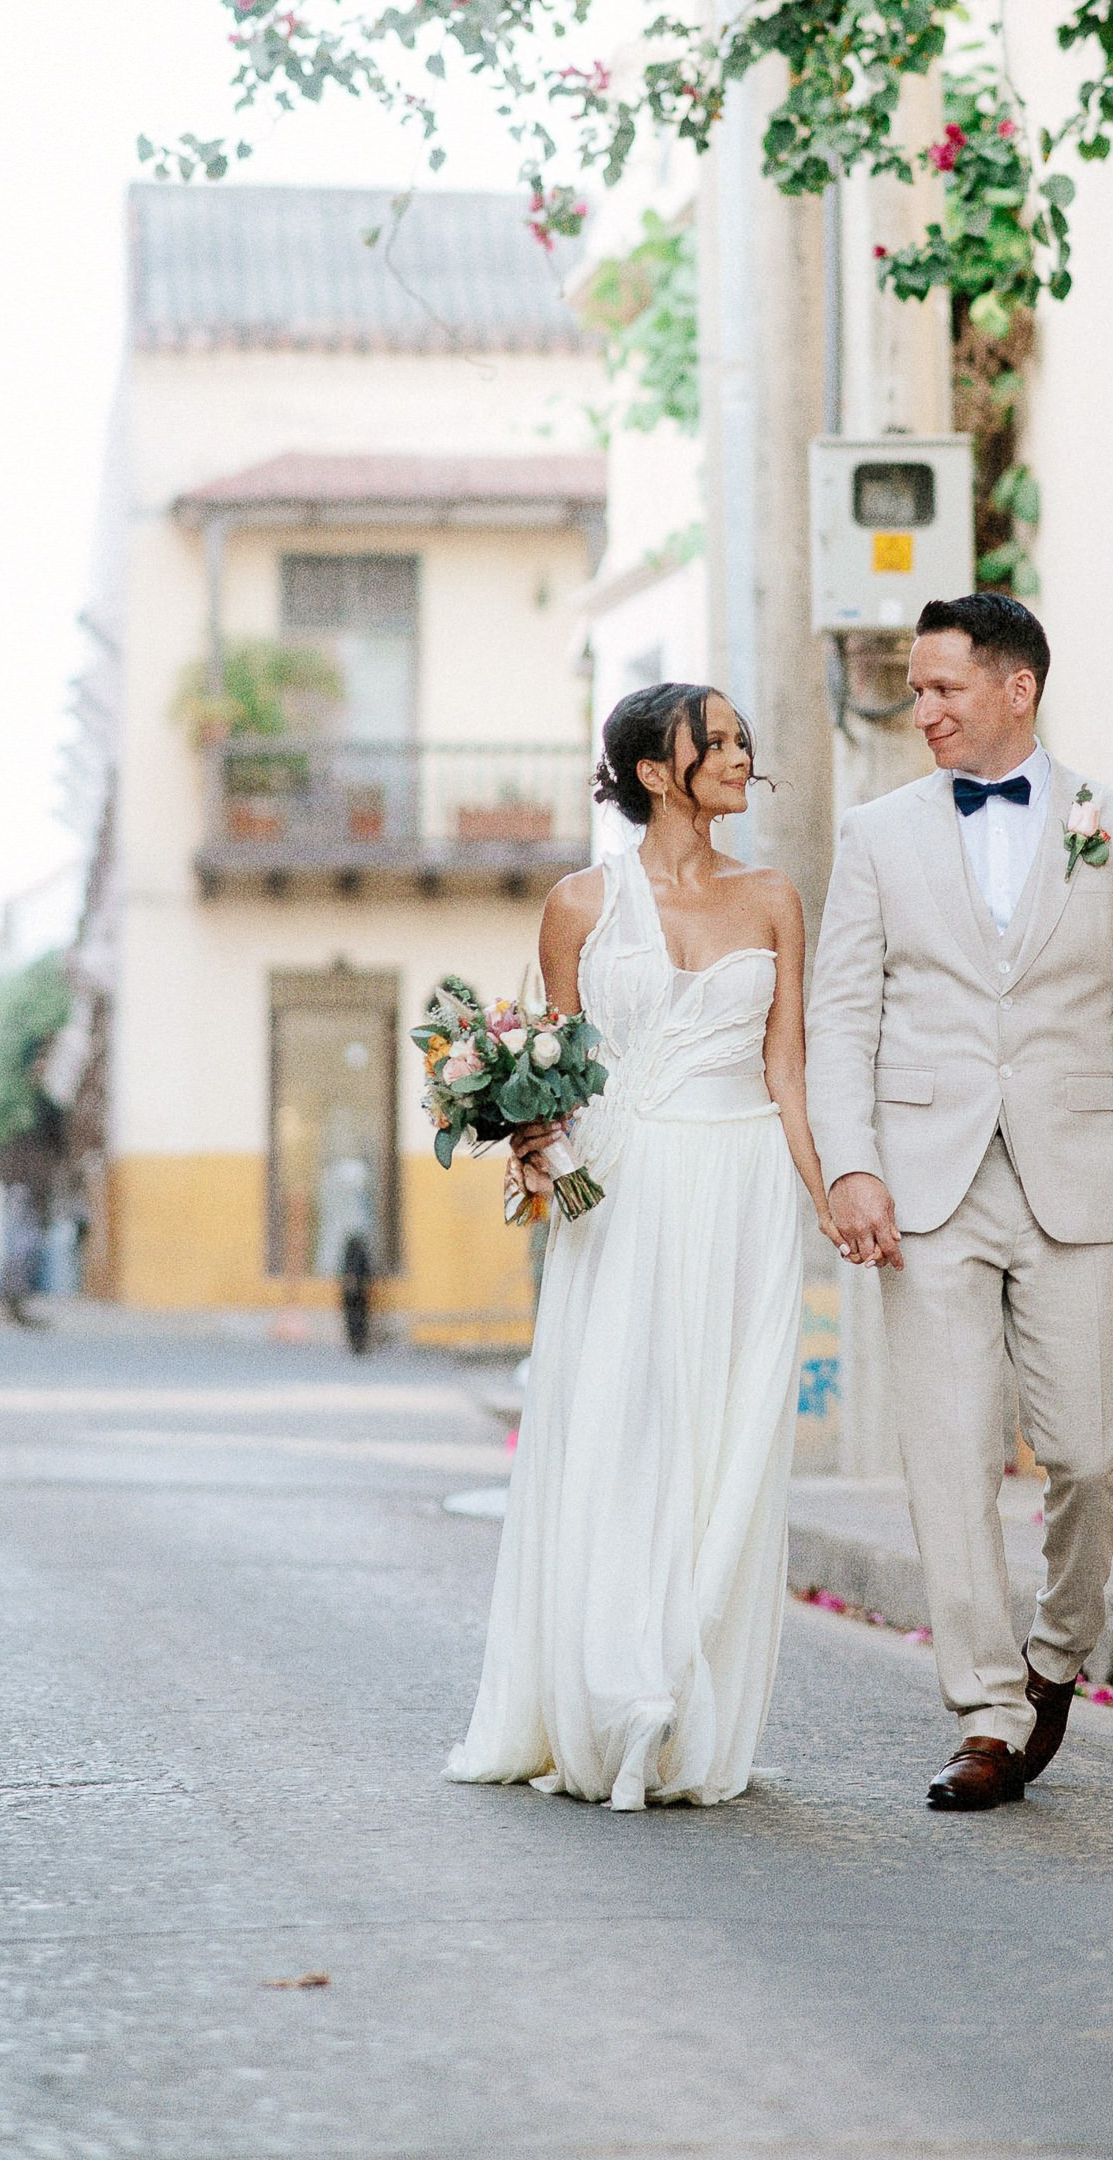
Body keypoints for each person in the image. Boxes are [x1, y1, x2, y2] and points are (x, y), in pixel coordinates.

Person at [807, 592, 1113, 1813]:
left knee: (1090, 1458)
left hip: (1075, 1183)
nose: (918, 709)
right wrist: (849, 1163)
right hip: (924, 1187)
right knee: (946, 1459)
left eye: (939, 688)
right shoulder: (876, 834)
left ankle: (1051, 1657)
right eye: (915, 688)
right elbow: (841, 1015)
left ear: (1013, 690)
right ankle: (986, 1716)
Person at [447, 684, 843, 1810]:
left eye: (740, 743)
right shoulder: (577, 903)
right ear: (655, 771)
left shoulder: (773, 898)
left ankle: (678, 1677)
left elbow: (785, 1069)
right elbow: (554, 1068)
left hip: (742, 1183)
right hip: (616, 1192)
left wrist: (829, 1196)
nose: (735, 756)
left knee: (724, 1429)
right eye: (710, 741)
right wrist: (531, 1145)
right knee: (624, 1430)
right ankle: (616, 1688)